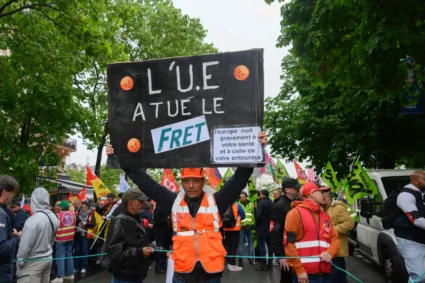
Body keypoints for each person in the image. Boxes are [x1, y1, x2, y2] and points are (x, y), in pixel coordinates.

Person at [106, 132, 267, 283]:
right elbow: (147, 183)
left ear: (202, 182)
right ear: (182, 182)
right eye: (186, 181)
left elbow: (239, 179)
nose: (191, 185)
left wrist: (256, 147)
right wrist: (120, 156)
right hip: (183, 273)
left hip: (211, 274)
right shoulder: (173, 201)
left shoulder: (216, 201)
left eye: (195, 180)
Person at [284, 181, 340, 283]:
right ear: (312, 193)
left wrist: (330, 252)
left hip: (326, 273)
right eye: (321, 192)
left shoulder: (324, 215)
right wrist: (299, 270)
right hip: (305, 275)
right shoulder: (294, 214)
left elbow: (335, 238)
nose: (324, 195)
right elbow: (288, 244)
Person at [106, 187, 154, 283]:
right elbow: (115, 256)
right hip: (124, 278)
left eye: (144, 201)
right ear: (131, 202)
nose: (144, 204)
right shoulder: (119, 222)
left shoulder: (138, 219)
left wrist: (158, 251)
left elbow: (143, 243)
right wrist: (140, 252)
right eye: (140, 201)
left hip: (136, 276)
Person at [16, 187, 59, 283]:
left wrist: (19, 264)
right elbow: (52, 239)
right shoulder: (53, 217)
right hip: (47, 258)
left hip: (32, 263)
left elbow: (25, 247)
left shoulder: (32, 220)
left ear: (34, 200)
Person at [394, 171, 425, 283]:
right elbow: (415, 219)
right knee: (419, 277)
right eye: (424, 179)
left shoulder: (421, 194)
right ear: (415, 181)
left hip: (421, 238)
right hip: (411, 240)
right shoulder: (405, 196)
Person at [270, 178, 301, 283]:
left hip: (298, 249)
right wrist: (281, 255)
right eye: (296, 187)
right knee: (287, 279)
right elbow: (275, 232)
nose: (298, 189)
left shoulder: (298, 203)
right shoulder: (279, 206)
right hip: (286, 251)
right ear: (287, 190)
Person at [322, 190, 354, 283]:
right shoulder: (323, 209)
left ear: (327, 198)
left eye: (323, 198)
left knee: (337, 276)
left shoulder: (338, 208)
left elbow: (349, 223)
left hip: (337, 250)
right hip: (327, 250)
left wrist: (332, 230)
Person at [0, 175, 21, 283]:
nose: (12, 196)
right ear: (4, 192)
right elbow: (1, 248)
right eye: (12, 192)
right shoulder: (1, 214)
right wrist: (16, 238)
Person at [51, 200, 76, 283]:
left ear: (62, 207)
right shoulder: (73, 213)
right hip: (70, 237)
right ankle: (70, 274)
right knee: (69, 255)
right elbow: (71, 207)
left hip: (60, 238)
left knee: (60, 257)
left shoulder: (57, 215)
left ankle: (60, 276)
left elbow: (54, 228)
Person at [74, 201, 96, 274]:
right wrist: (77, 220)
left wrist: (87, 223)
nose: (84, 209)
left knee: (84, 251)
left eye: (85, 207)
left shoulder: (91, 214)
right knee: (77, 251)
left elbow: (93, 224)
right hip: (77, 234)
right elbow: (74, 221)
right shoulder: (77, 213)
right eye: (82, 207)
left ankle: (84, 267)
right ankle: (76, 267)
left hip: (85, 235)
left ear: (88, 207)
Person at [255, 189, 274, 271]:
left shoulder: (261, 203)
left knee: (261, 245)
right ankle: (270, 263)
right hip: (270, 227)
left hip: (261, 227)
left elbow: (258, 216)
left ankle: (263, 263)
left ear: (262, 194)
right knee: (270, 246)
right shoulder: (272, 203)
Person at [223, 202, 245, 271]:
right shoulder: (237, 205)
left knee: (228, 246)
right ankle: (233, 264)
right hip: (235, 229)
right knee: (234, 246)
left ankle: (229, 263)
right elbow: (243, 215)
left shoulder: (224, 204)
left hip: (226, 228)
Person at [152, 205, 172, 274]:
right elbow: (156, 220)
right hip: (160, 233)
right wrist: (168, 219)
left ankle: (163, 265)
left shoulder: (167, 207)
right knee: (159, 250)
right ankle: (158, 267)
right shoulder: (159, 208)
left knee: (165, 249)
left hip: (166, 233)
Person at [237, 192, 255, 267]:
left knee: (251, 243)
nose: (242, 198)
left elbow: (253, 215)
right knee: (240, 244)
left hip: (250, 226)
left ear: (246, 197)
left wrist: (254, 224)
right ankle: (240, 260)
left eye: (243, 197)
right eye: (241, 197)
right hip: (241, 227)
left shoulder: (251, 204)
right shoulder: (237, 204)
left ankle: (250, 258)